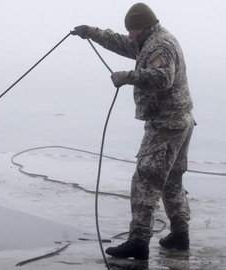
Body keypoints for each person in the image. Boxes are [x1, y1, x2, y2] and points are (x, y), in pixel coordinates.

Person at [71, 3, 194, 260]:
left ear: (141, 27)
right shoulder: (148, 41)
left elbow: (163, 78)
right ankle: (180, 235)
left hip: (166, 124)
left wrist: (127, 76)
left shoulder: (161, 45)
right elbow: (120, 43)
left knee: (145, 180)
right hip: (179, 121)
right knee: (171, 181)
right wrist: (90, 32)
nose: (128, 35)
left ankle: (138, 242)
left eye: (131, 31)